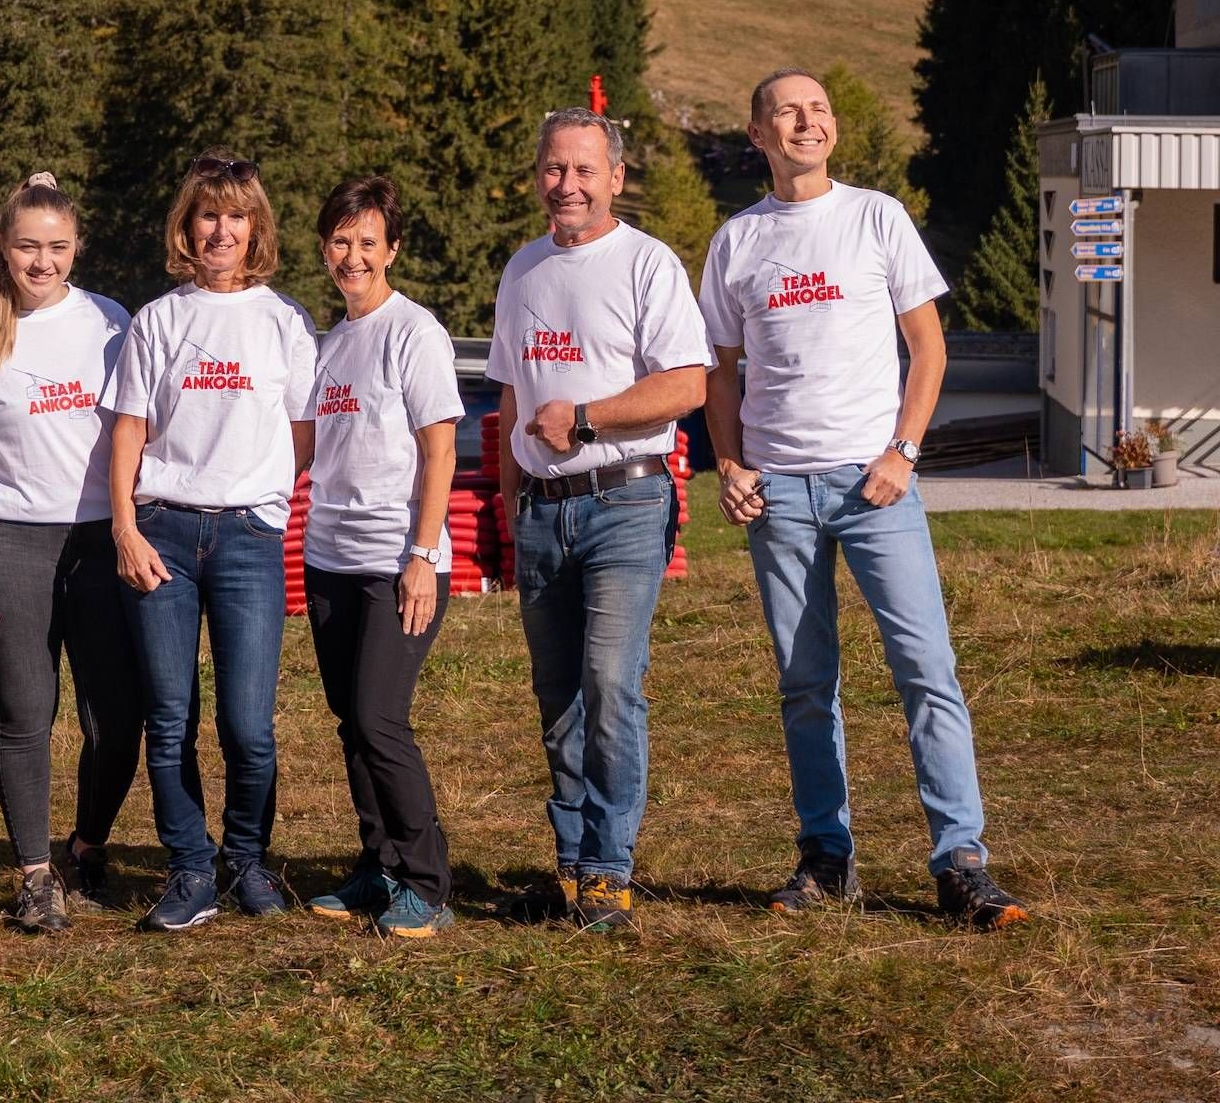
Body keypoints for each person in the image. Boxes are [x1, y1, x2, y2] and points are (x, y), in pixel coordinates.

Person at [698, 67, 1029, 930]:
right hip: (779, 495)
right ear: (760, 133)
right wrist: (730, 466)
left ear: (832, 129)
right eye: (787, 113)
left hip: (874, 486)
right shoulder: (737, 241)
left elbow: (929, 349)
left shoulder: (876, 216)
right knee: (806, 683)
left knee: (927, 670)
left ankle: (961, 862)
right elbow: (718, 375)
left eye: (819, 111)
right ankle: (826, 858)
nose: (807, 124)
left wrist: (903, 452)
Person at [487, 108, 711, 931]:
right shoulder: (521, 270)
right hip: (542, 511)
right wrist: (508, 499)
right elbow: (511, 395)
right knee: (557, 696)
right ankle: (574, 864)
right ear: (538, 175)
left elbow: (687, 385)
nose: (568, 184)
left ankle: (611, 868)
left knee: (610, 682)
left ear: (615, 177)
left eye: (585, 170)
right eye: (554, 168)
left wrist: (583, 417)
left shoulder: (649, 264)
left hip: (627, 498)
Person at [106, 149, 317, 931]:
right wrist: (126, 525)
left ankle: (248, 860)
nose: (221, 229)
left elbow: (303, 433)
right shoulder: (159, 320)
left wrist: (260, 503)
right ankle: (190, 869)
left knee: (248, 724)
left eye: (236, 215)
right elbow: (129, 428)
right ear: (186, 227)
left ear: (255, 225)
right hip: (162, 531)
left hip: (246, 542)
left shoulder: (285, 320)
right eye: (207, 214)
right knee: (169, 719)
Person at [0, 173, 144, 934]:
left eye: (57, 247)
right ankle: (34, 875)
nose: (42, 261)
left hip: (99, 539)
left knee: (117, 717)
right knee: (26, 712)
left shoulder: (112, 324)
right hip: (8, 541)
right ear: (4, 249)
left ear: (77, 248)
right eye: (28, 247)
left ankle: (87, 845)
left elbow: (138, 433)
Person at [299, 177, 463, 938]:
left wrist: (423, 555)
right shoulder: (329, 345)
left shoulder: (413, 332)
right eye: (340, 241)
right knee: (350, 722)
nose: (353, 256)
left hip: (398, 562)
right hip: (329, 561)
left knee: (379, 717)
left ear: (392, 249)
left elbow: (440, 452)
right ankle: (378, 867)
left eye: (368, 242)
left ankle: (427, 883)